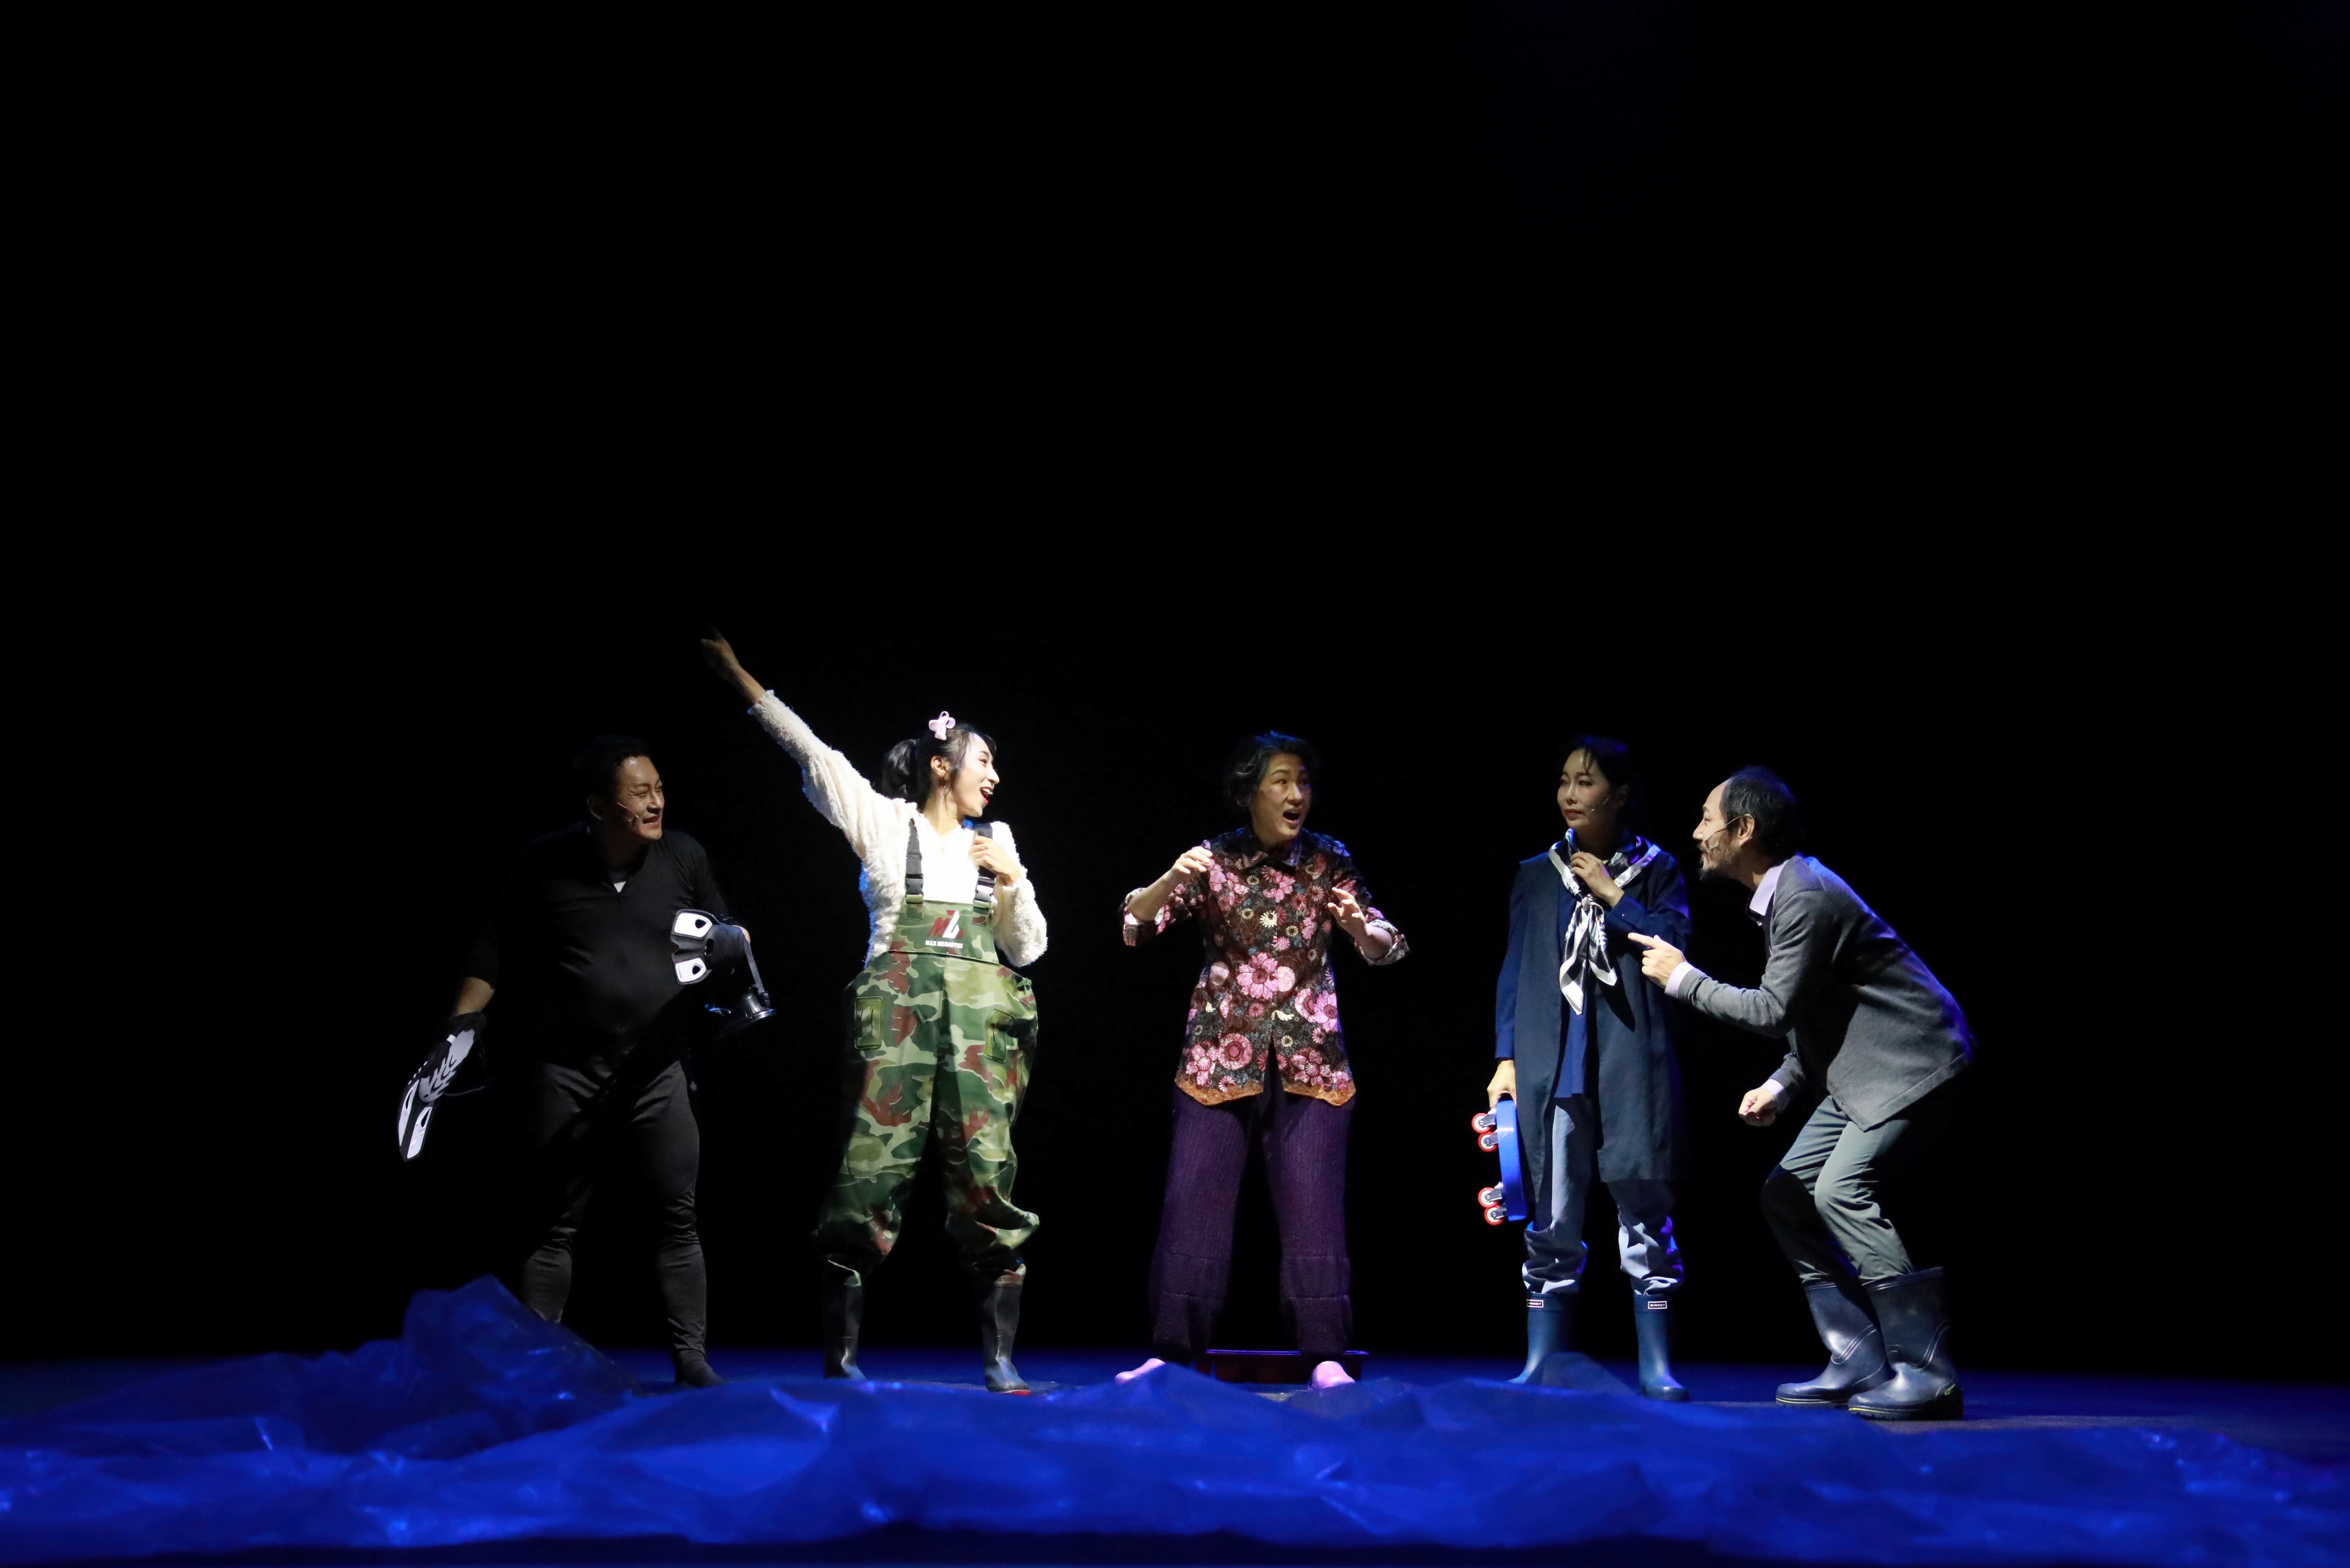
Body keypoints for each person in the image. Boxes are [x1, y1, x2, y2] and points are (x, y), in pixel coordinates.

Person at [702, 633, 1048, 1393]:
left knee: (988, 1178)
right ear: (941, 766)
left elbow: (1027, 949)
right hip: (896, 1026)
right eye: (983, 760)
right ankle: (842, 1356)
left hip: (979, 1035)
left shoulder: (997, 841)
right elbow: (813, 753)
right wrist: (739, 677)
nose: (994, 775)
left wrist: (1013, 879)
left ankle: (999, 1356)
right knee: (868, 1175)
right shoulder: (886, 825)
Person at [1630, 768, 1973, 1421]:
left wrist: (1683, 979)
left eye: (1707, 819)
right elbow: (1819, 1012)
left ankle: (1926, 1372)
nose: (1697, 832)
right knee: (1787, 1194)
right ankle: (1857, 1355)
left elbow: (1771, 1009)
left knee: (1840, 1189)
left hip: (1913, 1062)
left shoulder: (1805, 895)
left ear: (1744, 829)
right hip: (1861, 1069)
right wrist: (1782, 1084)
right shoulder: (1784, 895)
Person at [1115, 734, 1407, 1391]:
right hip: (1217, 1055)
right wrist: (1170, 878)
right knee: (1193, 1201)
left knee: (1313, 1208)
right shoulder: (1213, 859)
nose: (1296, 794)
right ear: (1249, 791)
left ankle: (1325, 1355)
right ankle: (1171, 1352)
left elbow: (1387, 944)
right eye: (1280, 781)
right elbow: (1135, 926)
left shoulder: (1330, 859)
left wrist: (1359, 929)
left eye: (1303, 780)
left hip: (1312, 1058)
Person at [455, 735, 731, 1388]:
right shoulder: (546, 861)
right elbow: (494, 948)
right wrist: (460, 1022)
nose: (656, 802)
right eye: (639, 793)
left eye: (659, 788)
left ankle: (692, 1363)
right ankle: (538, 1368)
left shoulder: (683, 855)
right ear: (599, 806)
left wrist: (732, 942)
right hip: (568, 1072)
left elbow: (724, 928)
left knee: (676, 1219)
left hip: (658, 1071)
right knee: (551, 1226)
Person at [1488, 738, 1691, 1399]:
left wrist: (1613, 896)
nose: (1570, 794)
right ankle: (1541, 1360)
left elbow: (1675, 948)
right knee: (1550, 1208)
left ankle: (1656, 1366)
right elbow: (1514, 970)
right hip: (1553, 1058)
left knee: (1642, 1204)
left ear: (1620, 794)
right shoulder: (1537, 872)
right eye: (1564, 781)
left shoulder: (1657, 868)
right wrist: (1505, 1057)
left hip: (1629, 1057)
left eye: (1586, 781)